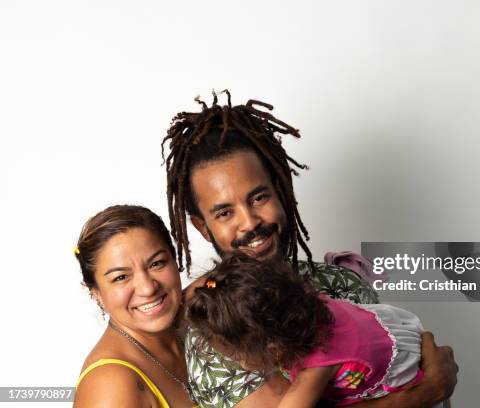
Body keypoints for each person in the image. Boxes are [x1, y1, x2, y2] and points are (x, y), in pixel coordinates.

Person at [162, 91, 458, 407]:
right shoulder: (219, 328)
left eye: (258, 197)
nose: (249, 222)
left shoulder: (339, 283)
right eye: (224, 213)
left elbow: (398, 368)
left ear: (282, 191)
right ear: (203, 227)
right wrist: (426, 392)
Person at [187, 255, 446, 408]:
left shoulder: (319, 362)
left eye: (234, 354)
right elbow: (226, 285)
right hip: (395, 331)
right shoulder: (295, 303)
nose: (235, 362)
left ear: (271, 347)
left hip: (404, 369)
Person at [73, 205, 197, 408]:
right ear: (95, 292)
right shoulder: (111, 384)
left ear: (175, 260)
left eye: (156, 263)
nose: (148, 288)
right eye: (121, 277)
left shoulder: (194, 323)